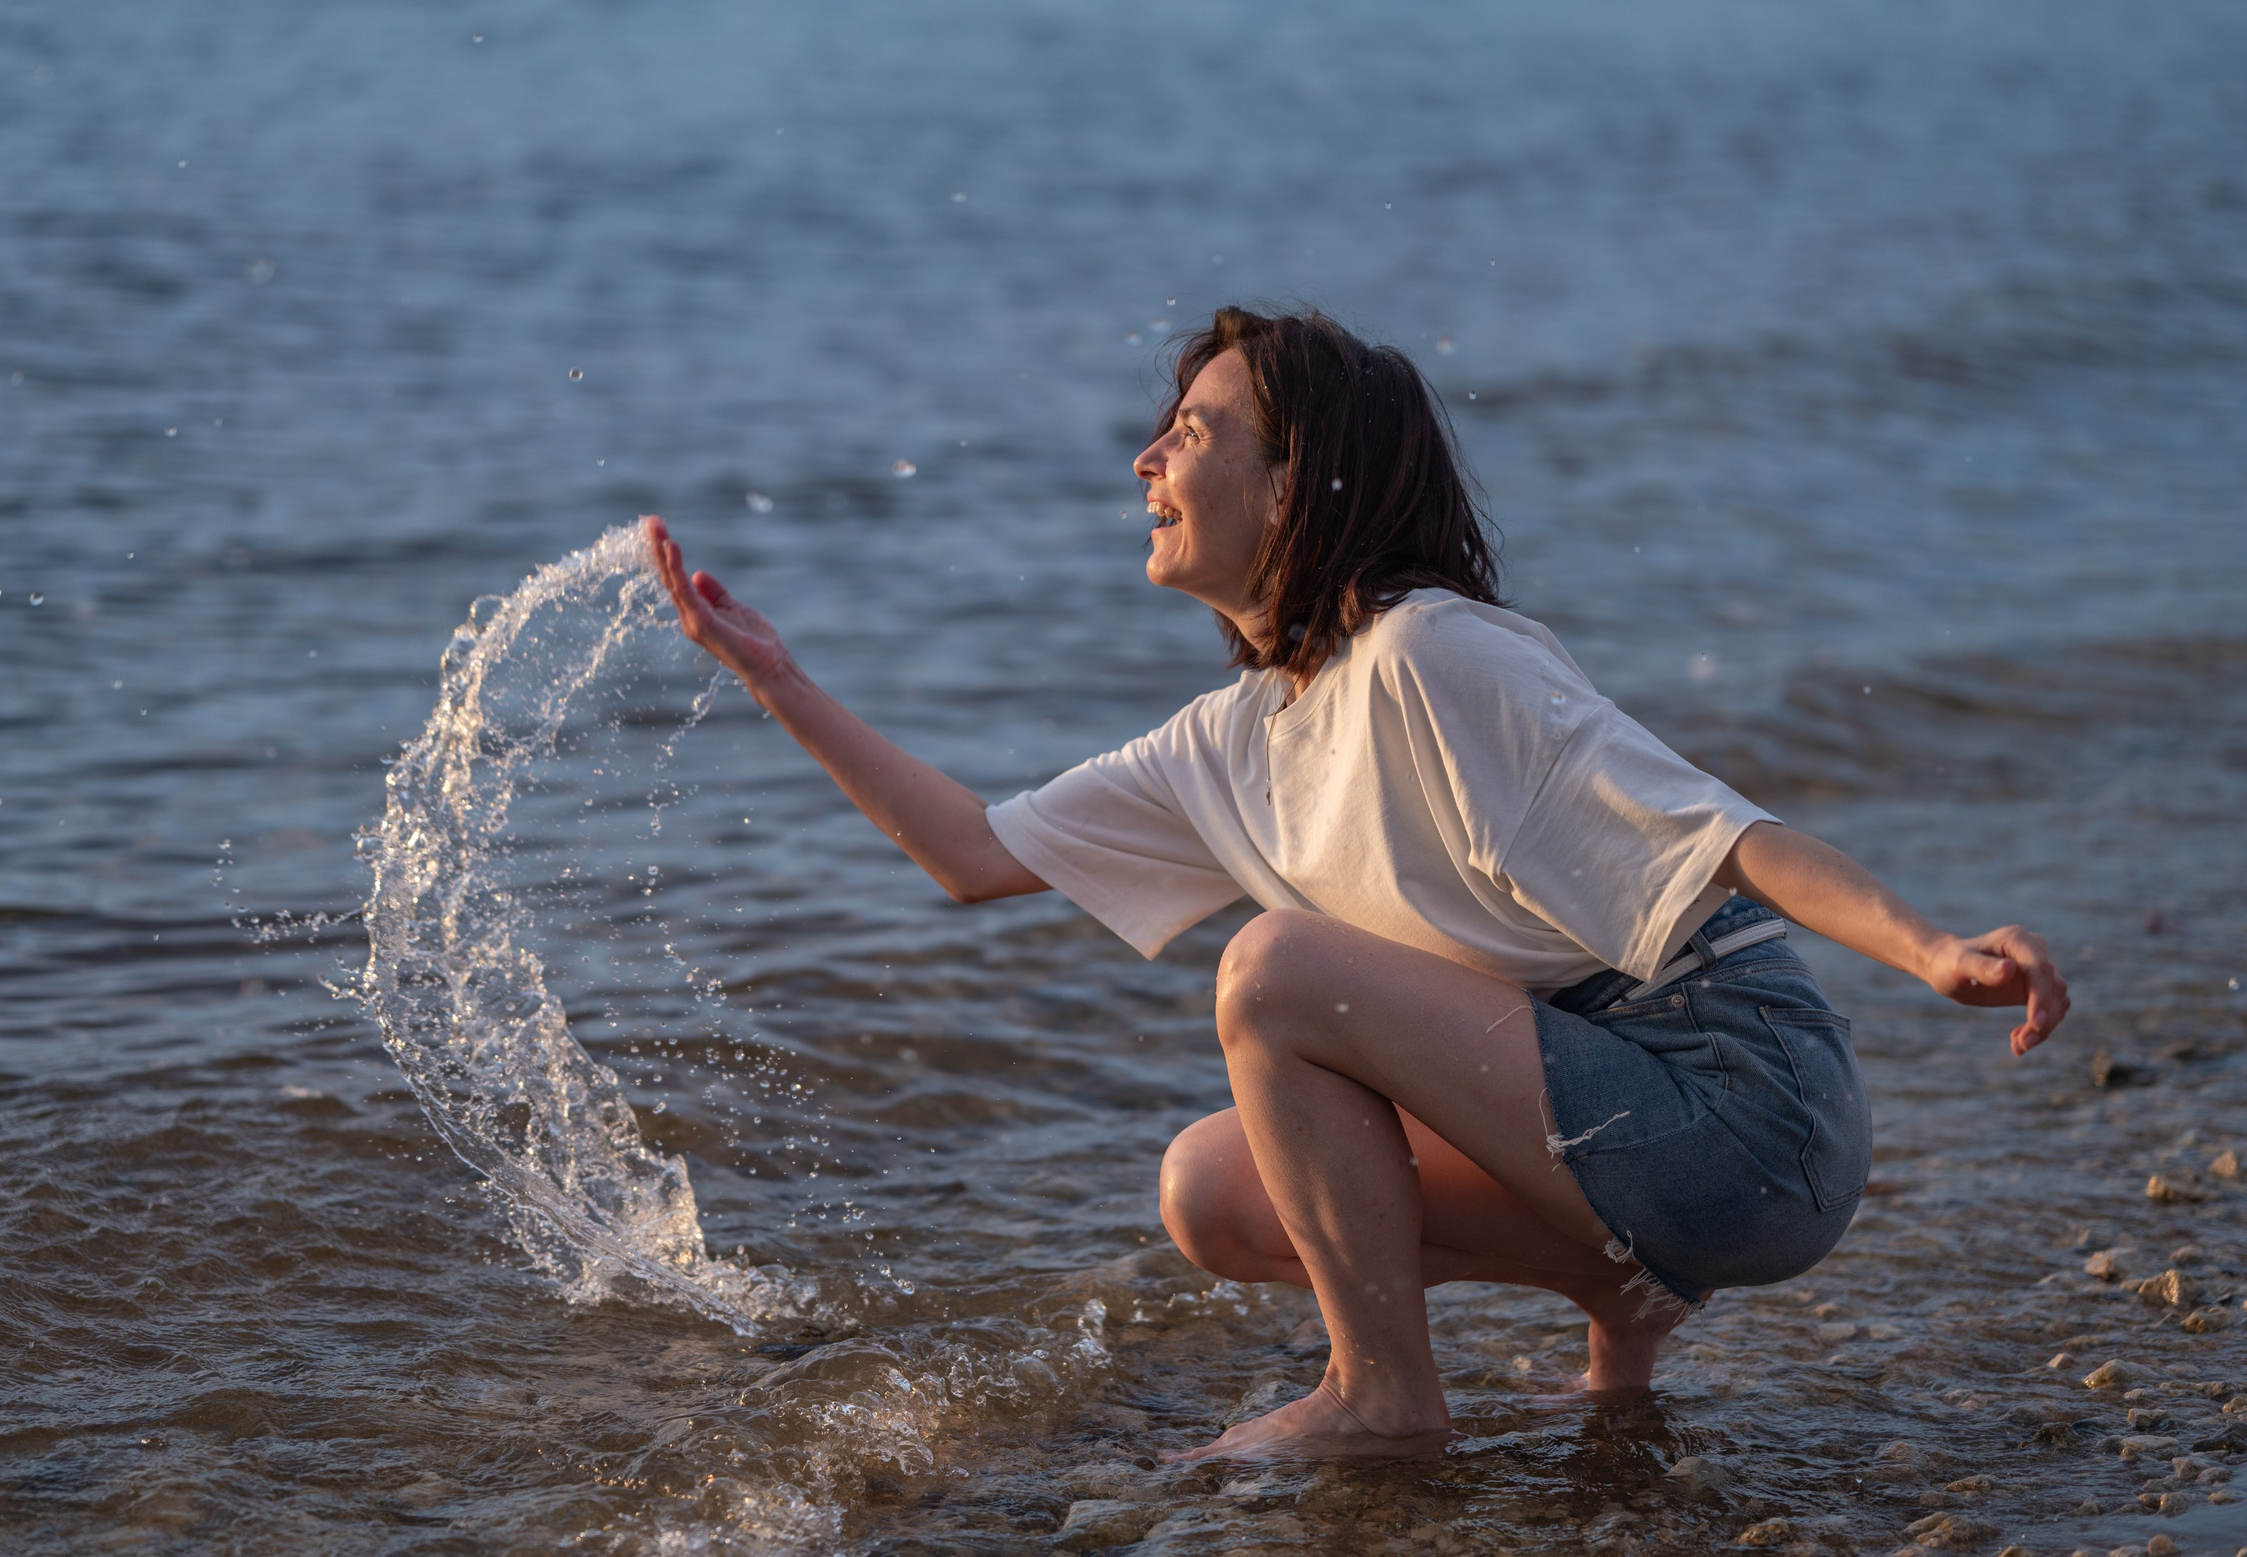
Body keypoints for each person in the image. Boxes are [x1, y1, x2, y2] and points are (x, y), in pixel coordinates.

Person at [644, 305, 2069, 1462]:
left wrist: (1929, 946)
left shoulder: (1431, 651)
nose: (1147, 459)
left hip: (1756, 1112)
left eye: (1193, 432)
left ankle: (1382, 1395)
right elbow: (970, 854)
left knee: (1272, 970)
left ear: (1298, 479)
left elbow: (1727, 833)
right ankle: (1617, 1309)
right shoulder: (1233, 741)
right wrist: (777, 677)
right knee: (1211, 1190)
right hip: (1641, 1138)